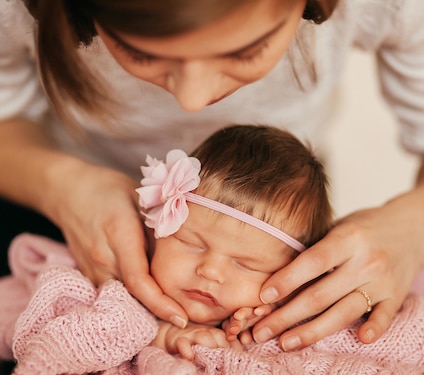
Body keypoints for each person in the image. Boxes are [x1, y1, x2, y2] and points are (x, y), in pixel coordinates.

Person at [0, 0, 424, 352]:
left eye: (245, 50)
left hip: (259, 212)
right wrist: (62, 185)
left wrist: (415, 227)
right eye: (142, 53)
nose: (193, 104)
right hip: (51, 191)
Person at [140, 125, 332, 359]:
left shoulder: (285, 323)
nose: (210, 271)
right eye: (190, 242)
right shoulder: (116, 272)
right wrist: (162, 334)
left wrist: (269, 318)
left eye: (246, 265)